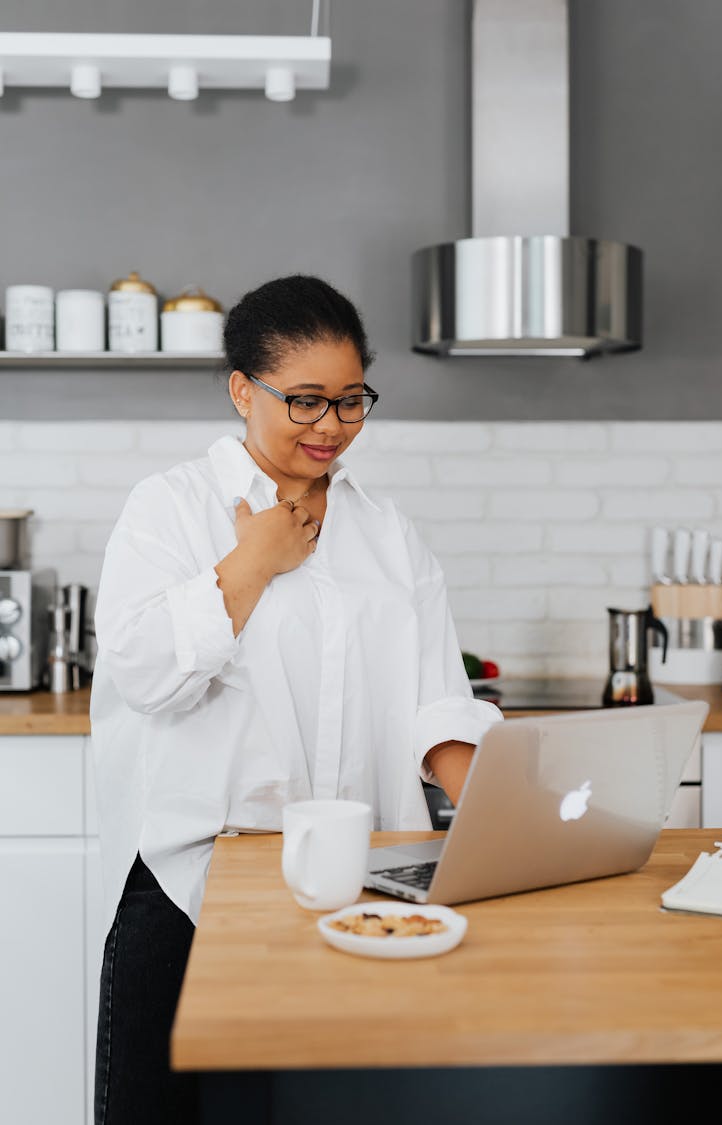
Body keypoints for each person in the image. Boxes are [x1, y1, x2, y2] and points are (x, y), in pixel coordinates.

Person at [89, 273, 501, 1124]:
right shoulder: (169, 508)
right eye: (306, 401)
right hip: (190, 884)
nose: (332, 428)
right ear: (244, 389)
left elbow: (439, 702)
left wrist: (509, 831)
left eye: (352, 402)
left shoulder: (387, 532)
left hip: (361, 887)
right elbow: (142, 670)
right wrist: (252, 562)